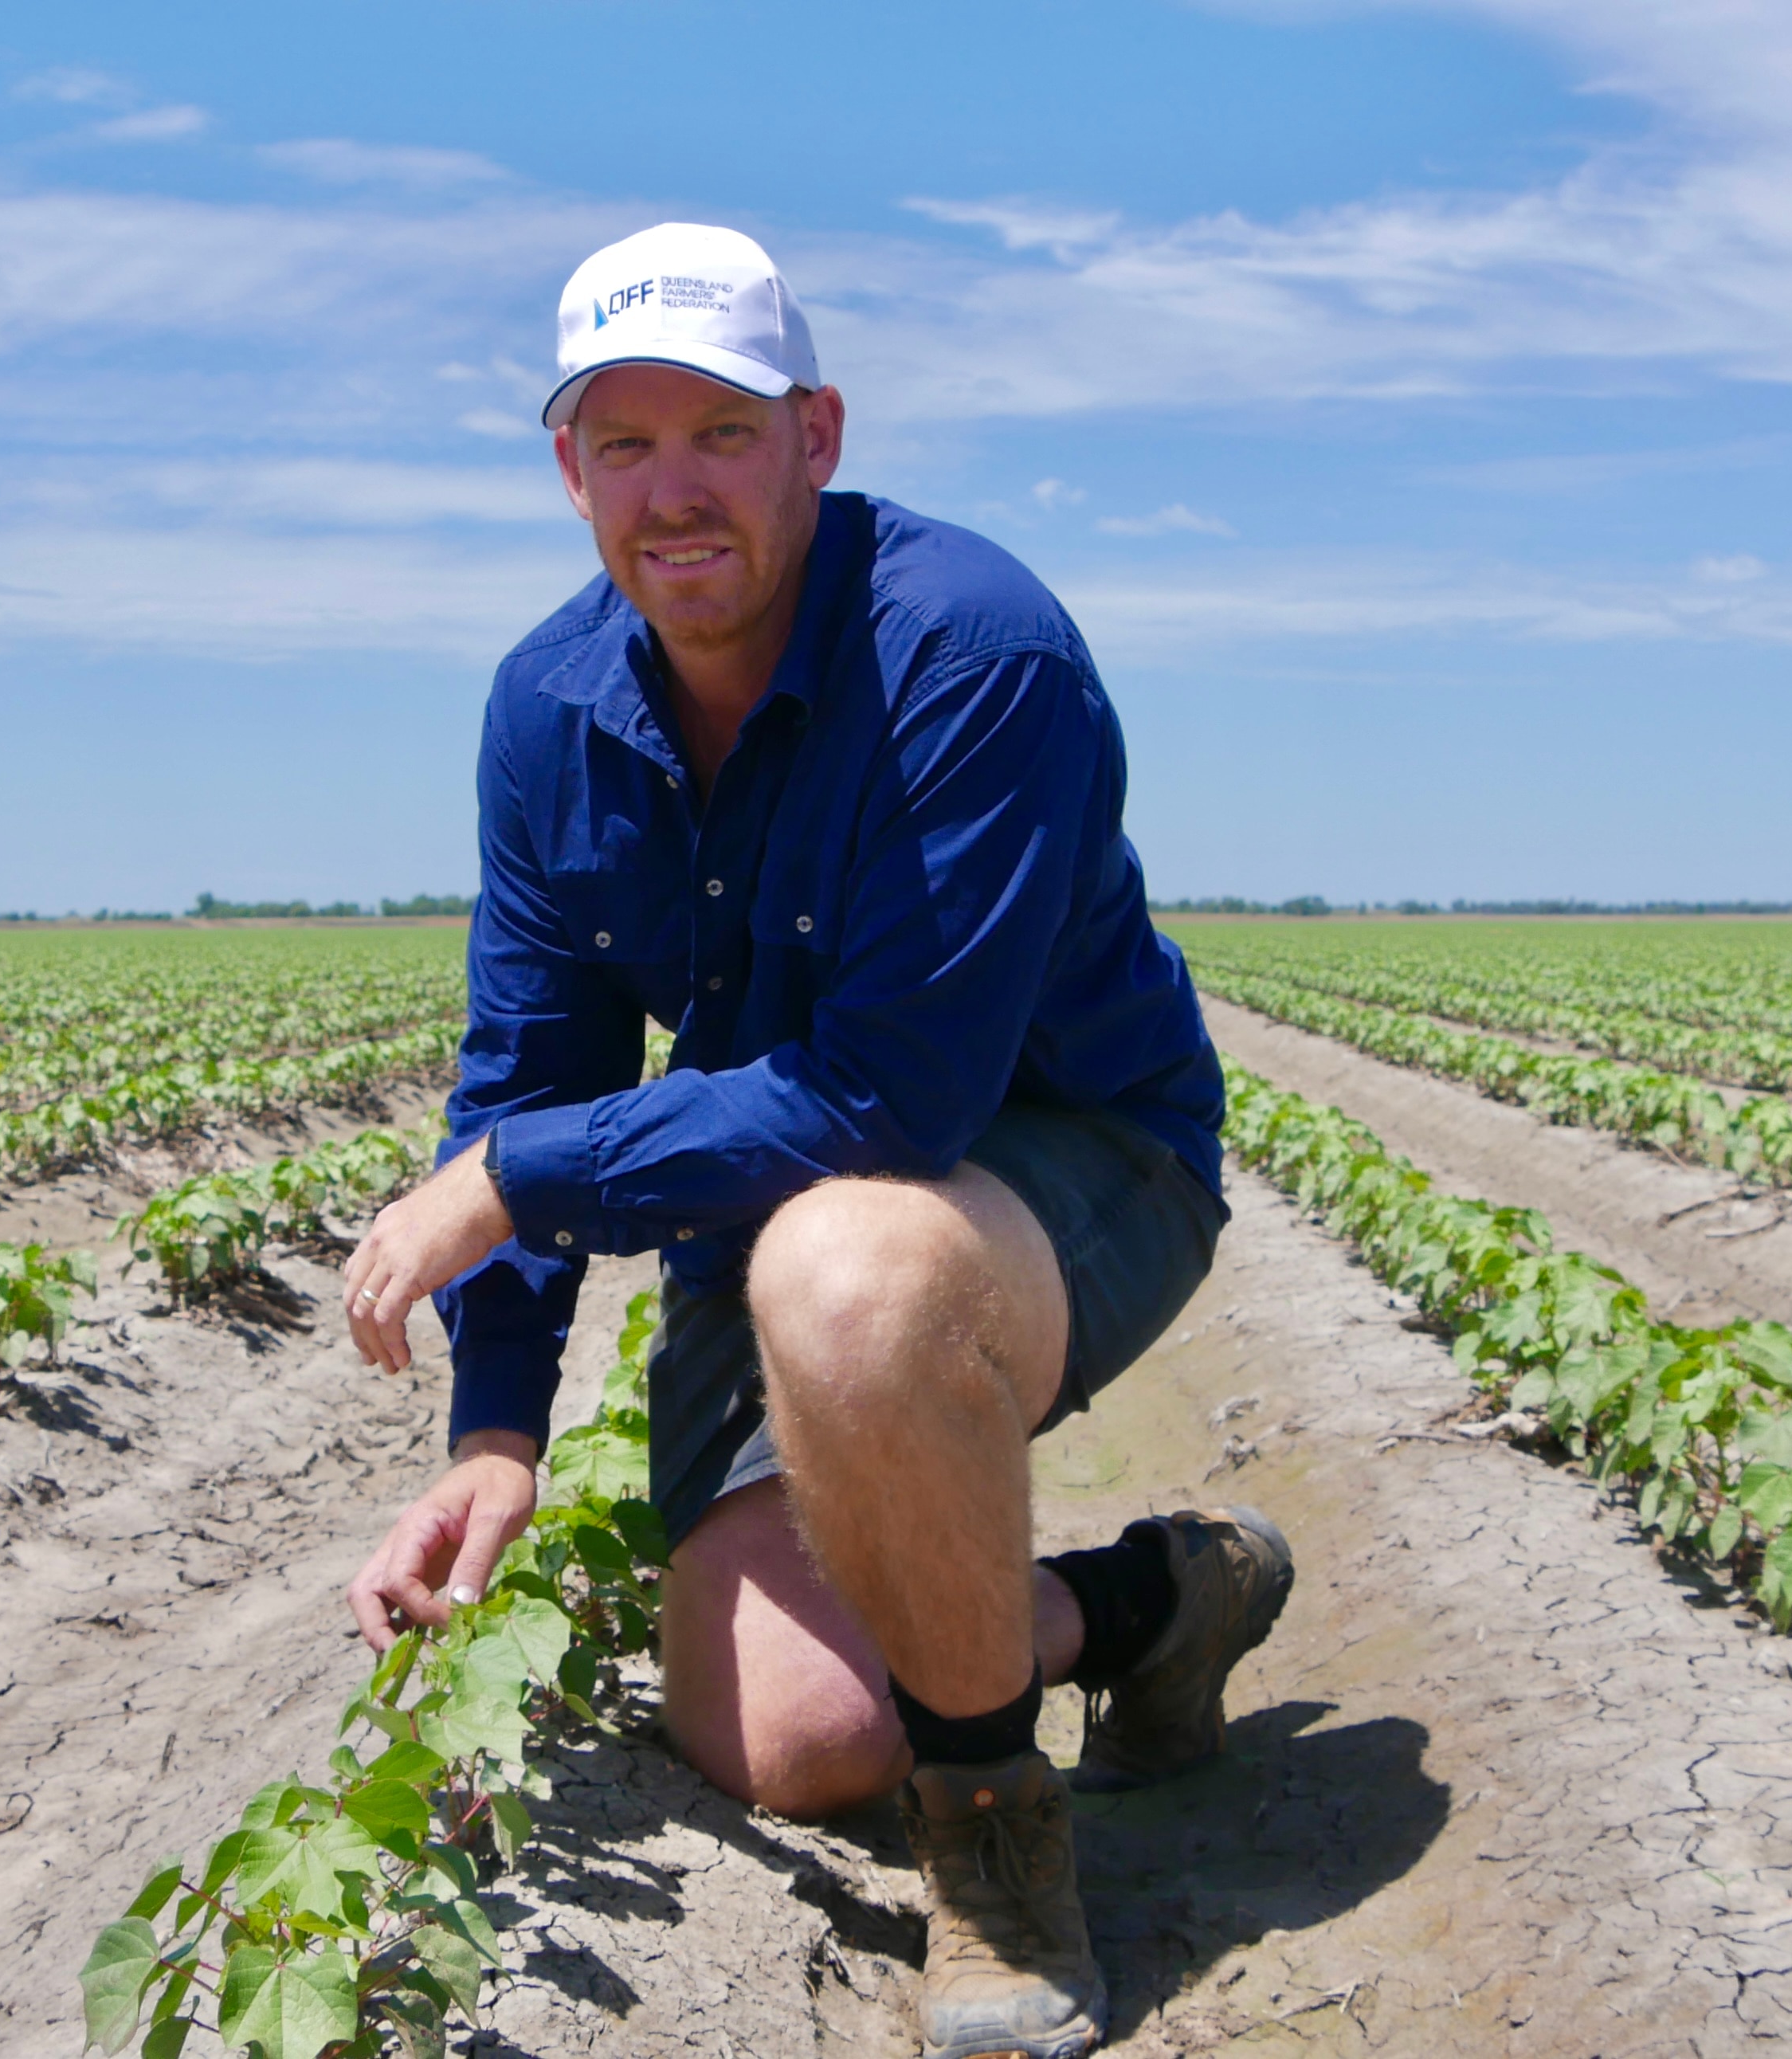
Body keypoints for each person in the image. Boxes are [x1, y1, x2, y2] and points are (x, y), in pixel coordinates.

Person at [338, 221, 1294, 2059]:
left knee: (850, 1274)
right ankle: (1157, 1596)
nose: (670, 488)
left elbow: (889, 1102)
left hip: (1073, 1149)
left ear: (818, 435)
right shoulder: (547, 711)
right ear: (568, 471)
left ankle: (997, 1847)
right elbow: (531, 1057)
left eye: (719, 429)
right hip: (777, 1184)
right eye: (622, 444)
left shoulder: (968, 647)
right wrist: (497, 1431)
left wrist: (522, 1175)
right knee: (799, 1735)